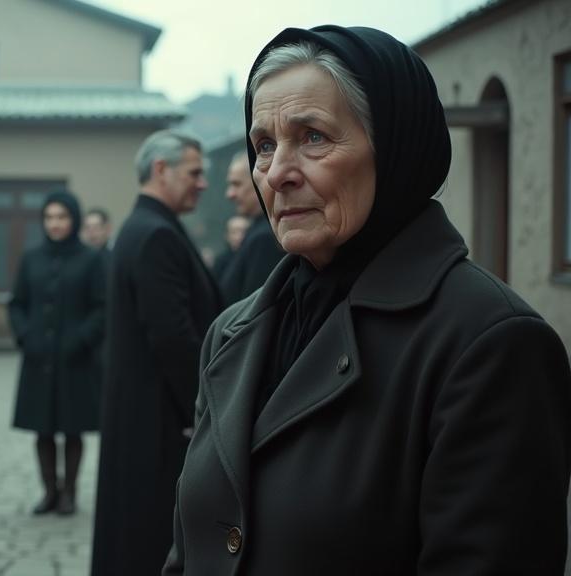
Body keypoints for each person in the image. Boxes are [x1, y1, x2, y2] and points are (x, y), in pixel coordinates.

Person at [164, 26, 571, 575]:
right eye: (264, 145)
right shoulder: (231, 334)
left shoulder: (489, 344)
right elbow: (191, 550)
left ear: (396, 148)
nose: (277, 173)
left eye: (313, 137)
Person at [91, 130, 222, 576]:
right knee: (147, 542)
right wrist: (205, 411)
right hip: (159, 421)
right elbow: (174, 338)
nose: (203, 183)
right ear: (161, 169)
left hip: (144, 414)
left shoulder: (144, 226)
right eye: (195, 172)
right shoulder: (156, 234)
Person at [8, 190, 105, 516]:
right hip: (38, 359)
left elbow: (102, 307)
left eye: (61, 217)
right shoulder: (31, 258)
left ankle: (69, 494)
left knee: (72, 429)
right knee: (43, 428)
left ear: (74, 219)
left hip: (75, 359)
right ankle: (49, 491)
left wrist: (82, 339)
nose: (55, 224)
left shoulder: (91, 259)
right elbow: (17, 304)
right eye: (49, 217)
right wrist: (25, 336)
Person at [219, 152, 284, 303]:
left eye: (237, 184)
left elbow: (258, 307)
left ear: (258, 181)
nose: (230, 194)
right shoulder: (257, 231)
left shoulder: (264, 238)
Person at [211, 214, 251, 283]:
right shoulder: (221, 261)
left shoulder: (253, 257)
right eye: (234, 232)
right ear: (227, 236)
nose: (239, 237)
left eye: (243, 232)